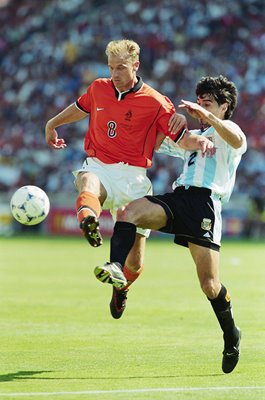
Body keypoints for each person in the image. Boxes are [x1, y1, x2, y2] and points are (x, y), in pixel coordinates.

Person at [45, 39, 214, 320]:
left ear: (135, 65)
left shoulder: (156, 101)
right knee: (88, 183)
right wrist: (53, 123)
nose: (115, 74)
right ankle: (89, 222)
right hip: (99, 164)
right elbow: (80, 107)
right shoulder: (98, 88)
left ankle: (121, 288)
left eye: (121, 67)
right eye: (111, 68)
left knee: (135, 262)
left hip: (134, 177)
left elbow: (181, 139)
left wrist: (202, 142)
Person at [94, 75, 247, 374]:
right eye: (199, 103)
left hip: (205, 206)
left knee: (209, 285)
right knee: (128, 212)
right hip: (179, 198)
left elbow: (236, 139)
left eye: (208, 104)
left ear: (224, 106)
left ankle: (231, 335)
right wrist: (168, 121)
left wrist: (206, 118)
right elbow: (157, 142)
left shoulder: (230, 132)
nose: (200, 108)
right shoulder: (195, 135)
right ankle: (117, 271)